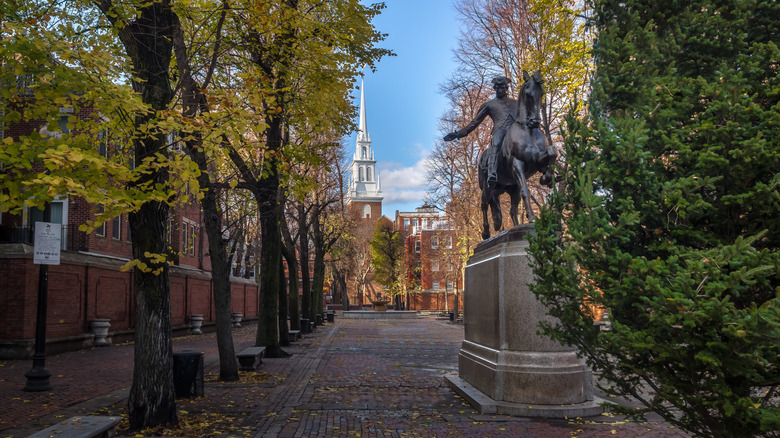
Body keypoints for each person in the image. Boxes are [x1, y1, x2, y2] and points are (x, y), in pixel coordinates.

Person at [443, 76, 516, 189]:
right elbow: (474, 122)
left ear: (507, 88)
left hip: (515, 131)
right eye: (498, 88)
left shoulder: (516, 103)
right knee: (495, 146)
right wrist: (458, 134)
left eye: (503, 88)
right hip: (500, 131)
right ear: (495, 89)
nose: (501, 90)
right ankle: (492, 173)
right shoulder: (489, 105)